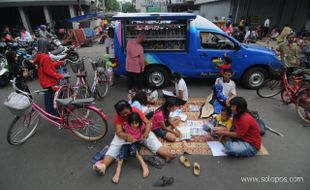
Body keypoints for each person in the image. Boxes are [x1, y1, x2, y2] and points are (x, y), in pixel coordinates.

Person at [93, 100, 176, 175]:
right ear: (119, 114)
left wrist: (146, 132)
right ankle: (103, 166)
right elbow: (119, 132)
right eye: (122, 114)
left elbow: (147, 123)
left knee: (152, 140)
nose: (125, 115)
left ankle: (167, 154)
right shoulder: (117, 117)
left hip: (141, 132)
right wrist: (127, 136)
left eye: (126, 112)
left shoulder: (135, 110)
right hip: (126, 134)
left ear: (130, 109)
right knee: (115, 146)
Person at [112, 112, 149, 184]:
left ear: (139, 122)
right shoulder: (127, 126)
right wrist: (128, 139)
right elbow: (123, 135)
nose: (134, 125)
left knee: (133, 147)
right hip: (128, 143)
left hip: (136, 144)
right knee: (123, 148)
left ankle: (143, 164)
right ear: (129, 123)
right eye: (132, 123)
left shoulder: (141, 126)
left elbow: (145, 133)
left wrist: (142, 137)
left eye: (136, 123)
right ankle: (118, 171)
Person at [33, 38, 64, 115]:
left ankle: (50, 113)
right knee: (53, 98)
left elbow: (48, 66)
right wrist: (59, 76)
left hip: (44, 81)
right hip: (49, 81)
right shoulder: (45, 57)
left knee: (48, 98)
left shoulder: (40, 56)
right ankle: (54, 114)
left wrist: (60, 62)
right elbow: (48, 71)